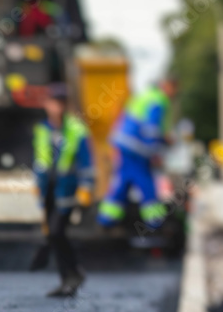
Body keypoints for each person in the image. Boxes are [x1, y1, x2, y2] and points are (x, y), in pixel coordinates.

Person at [32, 83, 94, 297]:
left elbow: (86, 160)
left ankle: (73, 274)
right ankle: (69, 277)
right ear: (47, 104)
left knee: (57, 232)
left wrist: (86, 187)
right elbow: (39, 159)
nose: (57, 107)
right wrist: (36, 184)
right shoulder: (42, 130)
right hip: (47, 189)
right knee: (53, 234)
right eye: (53, 102)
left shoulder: (76, 129)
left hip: (67, 191)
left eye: (61, 103)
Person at [97, 77, 178, 231]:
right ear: (167, 86)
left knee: (123, 180)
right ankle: (154, 222)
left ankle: (106, 218)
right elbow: (151, 129)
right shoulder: (158, 100)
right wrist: (159, 147)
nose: (174, 93)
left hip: (125, 144)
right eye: (174, 89)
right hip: (137, 148)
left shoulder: (146, 95)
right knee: (145, 183)